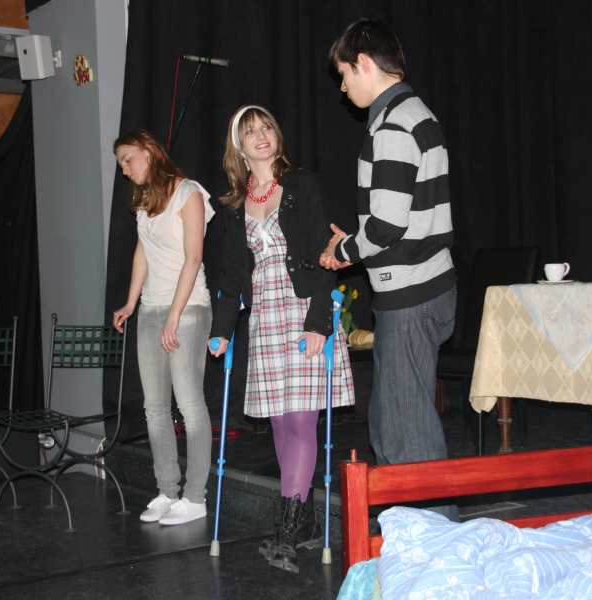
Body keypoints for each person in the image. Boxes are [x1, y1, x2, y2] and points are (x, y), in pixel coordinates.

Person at [209, 105, 355, 573]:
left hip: (302, 310)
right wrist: (221, 330)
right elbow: (231, 275)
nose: (261, 136)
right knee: (278, 423)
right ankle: (306, 522)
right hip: (265, 317)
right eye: (250, 131)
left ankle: (286, 532)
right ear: (239, 147)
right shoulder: (233, 206)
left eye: (267, 127)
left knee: (300, 421)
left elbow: (321, 255)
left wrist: (318, 323)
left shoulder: (301, 185)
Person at [322, 19, 458, 514]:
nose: (343, 88)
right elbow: (398, 217)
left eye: (344, 75)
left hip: (411, 293)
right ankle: (415, 528)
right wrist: (356, 242)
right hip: (424, 286)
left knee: (406, 431)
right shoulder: (414, 113)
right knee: (391, 420)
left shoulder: (394, 124)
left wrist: (342, 251)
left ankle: (434, 537)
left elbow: (385, 226)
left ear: (363, 64)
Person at [112, 130, 214, 526]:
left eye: (128, 159)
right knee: (154, 407)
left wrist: (174, 315)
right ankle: (167, 490)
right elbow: (143, 250)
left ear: (149, 152)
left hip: (187, 310)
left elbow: (194, 258)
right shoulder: (144, 200)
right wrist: (130, 302)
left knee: (189, 405)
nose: (124, 170)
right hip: (151, 309)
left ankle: (195, 497)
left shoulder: (189, 193)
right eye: (121, 164)